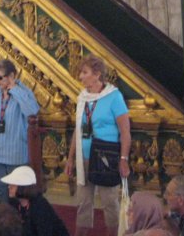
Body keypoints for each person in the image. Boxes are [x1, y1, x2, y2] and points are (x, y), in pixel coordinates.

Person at [64, 54, 131, 236]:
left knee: (110, 203)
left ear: (97, 74)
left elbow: (125, 132)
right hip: (84, 158)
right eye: (80, 72)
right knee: (83, 203)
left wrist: (123, 159)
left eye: (84, 72)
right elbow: (78, 130)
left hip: (106, 159)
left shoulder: (114, 96)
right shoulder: (82, 98)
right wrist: (70, 159)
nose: (80, 76)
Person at [0, 59, 40, 202]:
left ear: (11, 76)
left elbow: (32, 111)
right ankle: (1, 216)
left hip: (15, 154)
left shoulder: (23, 92)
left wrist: (14, 90)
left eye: (0, 77)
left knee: (18, 193)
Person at [2, 165, 68, 236]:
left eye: (13, 185)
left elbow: (45, 232)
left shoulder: (39, 206)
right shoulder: (13, 202)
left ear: (23, 187)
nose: (9, 187)